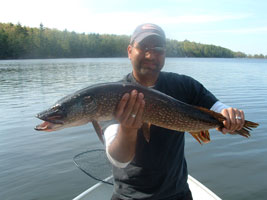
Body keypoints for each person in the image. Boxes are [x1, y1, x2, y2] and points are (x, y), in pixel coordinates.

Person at [104, 23, 245, 200]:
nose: (151, 54)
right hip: (129, 196)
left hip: (177, 194)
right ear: (130, 51)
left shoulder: (183, 85)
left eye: (158, 48)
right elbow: (119, 159)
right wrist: (127, 129)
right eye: (144, 47)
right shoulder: (112, 95)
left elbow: (218, 109)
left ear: (165, 53)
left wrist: (230, 116)